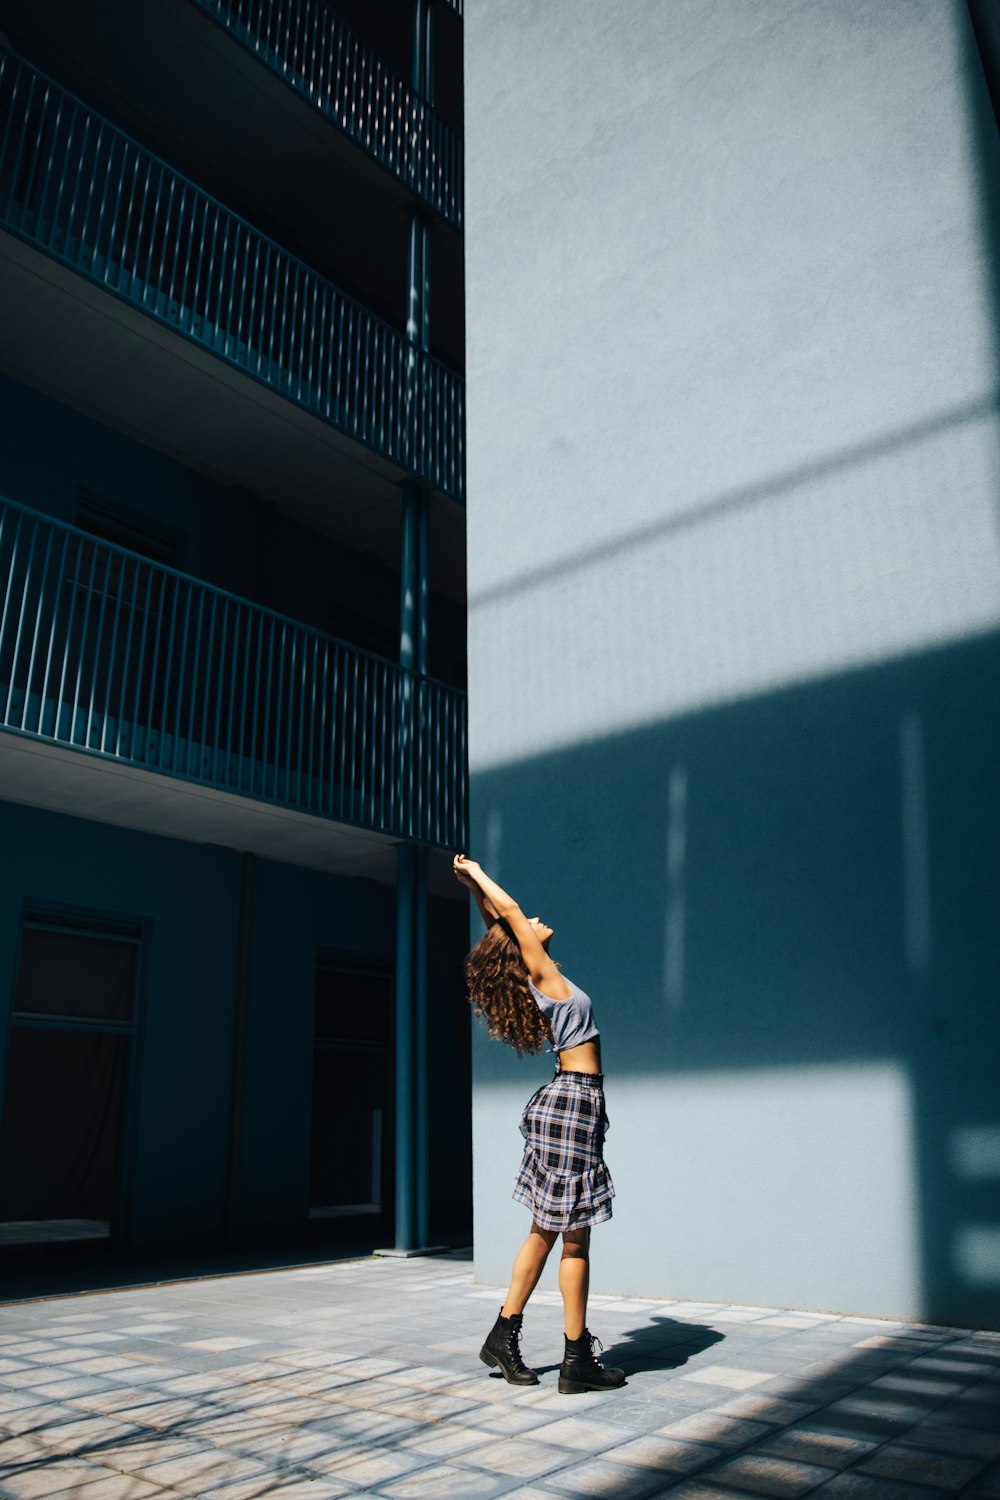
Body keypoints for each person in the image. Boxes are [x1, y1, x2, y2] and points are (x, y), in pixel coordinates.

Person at [453, 853, 625, 1395]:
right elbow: (510, 911)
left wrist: (477, 897)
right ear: (524, 941)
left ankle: (542, 1346)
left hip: (572, 1102)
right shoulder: (543, 976)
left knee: (557, 1233)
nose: (535, 922)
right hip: (574, 1102)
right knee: (567, 1238)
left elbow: (501, 923)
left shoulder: (535, 973)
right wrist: (476, 873)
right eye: (528, 926)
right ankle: (563, 1356)